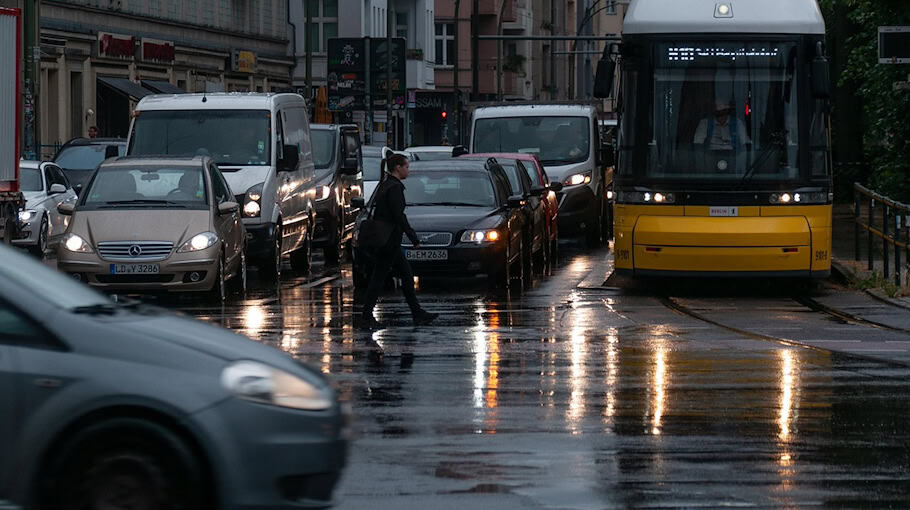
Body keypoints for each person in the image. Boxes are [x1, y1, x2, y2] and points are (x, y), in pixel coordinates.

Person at [359, 153, 438, 329]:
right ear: (398, 168)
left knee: (406, 276)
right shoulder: (394, 188)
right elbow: (398, 216)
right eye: (407, 167)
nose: (408, 170)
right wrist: (413, 237)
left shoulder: (386, 184)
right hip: (389, 241)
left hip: (389, 240)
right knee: (379, 279)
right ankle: (366, 317)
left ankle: (417, 313)